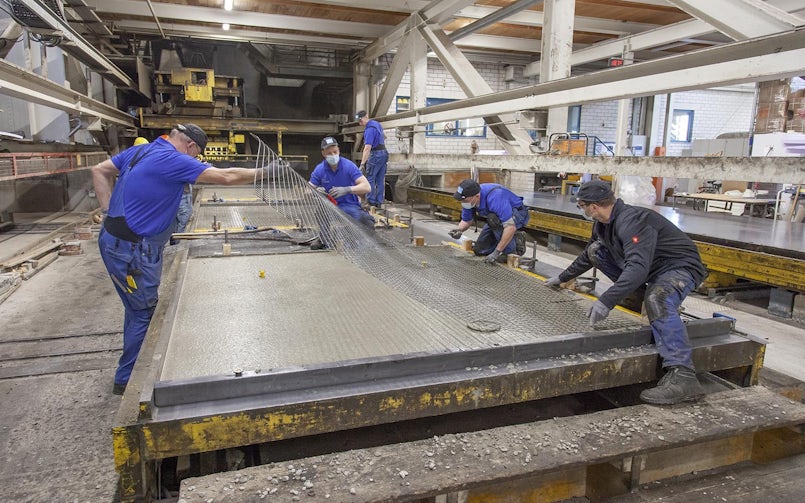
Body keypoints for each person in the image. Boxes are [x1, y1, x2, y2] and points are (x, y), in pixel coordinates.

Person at [92, 123, 265, 395]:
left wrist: (108, 210)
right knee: (143, 313)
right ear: (191, 146)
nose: (193, 161)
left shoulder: (141, 152)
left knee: (135, 306)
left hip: (114, 240)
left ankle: (130, 371)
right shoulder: (173, 159)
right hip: (133, 251)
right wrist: (267, 172)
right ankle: (128, 381)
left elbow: (99, 170)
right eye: (195, 156)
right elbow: (227, 177)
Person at [545, 180, 708, 405]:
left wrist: (607, 300)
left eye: (581, 205)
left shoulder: (631, 222)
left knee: (657, 298)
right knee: (597, 251)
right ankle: (637, 297)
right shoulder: (602, 224)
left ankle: (684, 376)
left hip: (678, 267)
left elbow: (638, 268)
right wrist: (563, 277)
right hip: (653, 267)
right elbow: (588, 255)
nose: (581, 210)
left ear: (593, 206)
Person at [450, 179, 528, 264]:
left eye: (465, 200)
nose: (463, 202)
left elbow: (510, 227)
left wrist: (496, 252)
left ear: (477, 196)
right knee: (480, 251)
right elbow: (466, 221)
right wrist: (459, 230)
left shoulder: (496, 196)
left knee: (493, 219)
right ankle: (505, 241)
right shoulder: (469, 201)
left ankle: (512, 249)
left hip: (516, 215)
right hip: (497, 219)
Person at [309, 136, 374, 230]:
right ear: (323, 153)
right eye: (329, 153)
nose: (333, 155)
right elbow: (308, 189)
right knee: (321, 212)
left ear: (338, 150)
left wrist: (347, 190)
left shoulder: (349, 166)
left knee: (366, 220)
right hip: (330, 207)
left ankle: (364, 242)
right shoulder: (320, 169)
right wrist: (315, 192)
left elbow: (367, 187)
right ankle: (324, 240)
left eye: (335, 152)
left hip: (350, 206)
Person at [356, 110, 388, 208]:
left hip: (376, 155)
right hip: (384, 153)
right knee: (380, 179)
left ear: (366, 117)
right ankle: (379, 202)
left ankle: (371, 201)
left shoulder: (369, 129)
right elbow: (384, 137)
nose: (360, 123)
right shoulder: (377, 124)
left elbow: (367, 148)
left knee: (370, 178)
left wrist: (362, 164)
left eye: (360, 121)